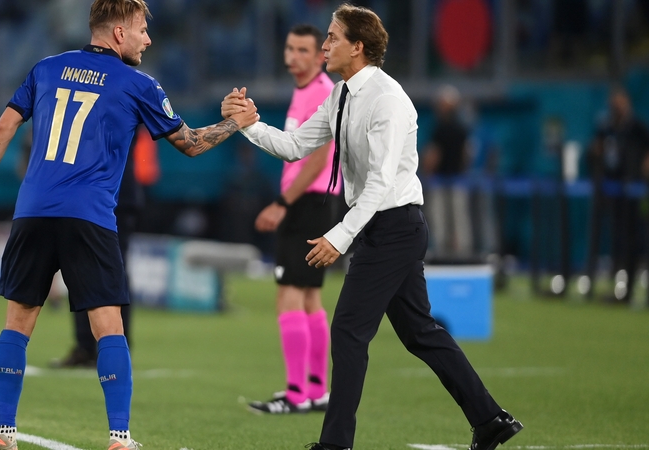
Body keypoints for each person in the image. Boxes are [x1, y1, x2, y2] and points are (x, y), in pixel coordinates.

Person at [221, 5, 522, 450]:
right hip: (381, 227)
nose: (324, 46)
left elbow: (379, 184)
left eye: (332, 38)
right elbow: (294, 146)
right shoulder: (341, 94)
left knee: (348, 330)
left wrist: (339, 236)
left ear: (358, 47)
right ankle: (491, 419)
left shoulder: (388, 100)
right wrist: (249, 124)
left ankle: (335, 444)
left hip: (395, 227)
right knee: (420, 333)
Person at [0, 1, 258, 449]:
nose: (148, 39)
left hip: (33, 212)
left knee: (17, 325)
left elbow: (4, 127)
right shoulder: (139, 83)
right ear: (119, 33)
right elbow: (191, 144)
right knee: (109, 327)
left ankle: (4, 434)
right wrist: (234, 123)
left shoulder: (46, 68)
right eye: (141, 30)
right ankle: (119, 437)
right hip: (90, 217)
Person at [246, 23, 338, 415]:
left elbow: (317, 158)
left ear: (320, 55)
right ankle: (317, 390)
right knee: (310, 296)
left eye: (303, 50)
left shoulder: (320, 92)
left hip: (306, 202)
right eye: (289, 48)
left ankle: (296, 393)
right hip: (317, 201)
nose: (293, 57)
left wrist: (283, 202)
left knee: (288, 295)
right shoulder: (310, 91)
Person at [52, 127, 154, 368]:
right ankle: (86, 346)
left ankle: (115, 349)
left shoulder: (125, 104)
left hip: (115, 196)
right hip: (83, 195)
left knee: (113, 271)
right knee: (79, 268)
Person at [587, 87, 649, 304]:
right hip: (614, 192)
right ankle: (620, 289)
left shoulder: (637, 128)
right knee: (618, 242)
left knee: (638, 241)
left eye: (620, 103)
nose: (617, 107)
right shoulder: (607, 127)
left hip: (635, 192)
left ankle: (633, 289)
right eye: (614, 103)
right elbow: (595, 150)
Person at [420, 84, 473, 260]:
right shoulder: (461, 128)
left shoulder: (440, 129)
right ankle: (457, 253)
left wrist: (427, 173)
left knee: (444, 218)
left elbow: (434, 156)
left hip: (444, 180)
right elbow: (467, 155)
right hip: (454, 180)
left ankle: (446, 254)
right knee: (455, 219)